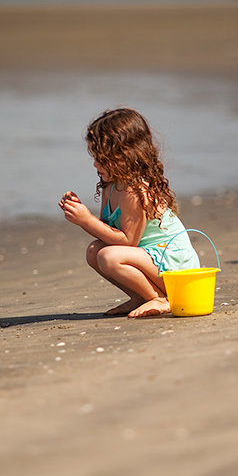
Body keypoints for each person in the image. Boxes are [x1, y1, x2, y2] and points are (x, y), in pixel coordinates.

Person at [59, 107, 200, 318]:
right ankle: (140, 297)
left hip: (176, 267)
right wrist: (80, 211)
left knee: (109, 256)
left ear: (124, 156)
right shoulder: (110, 185)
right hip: (150, 260)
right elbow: (108, 231)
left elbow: (128, 242)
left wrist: (85, 220)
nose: (95, 164)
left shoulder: (135, 191)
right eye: (94, 157)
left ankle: (159, 299)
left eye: (101, 158)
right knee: (94, 251)